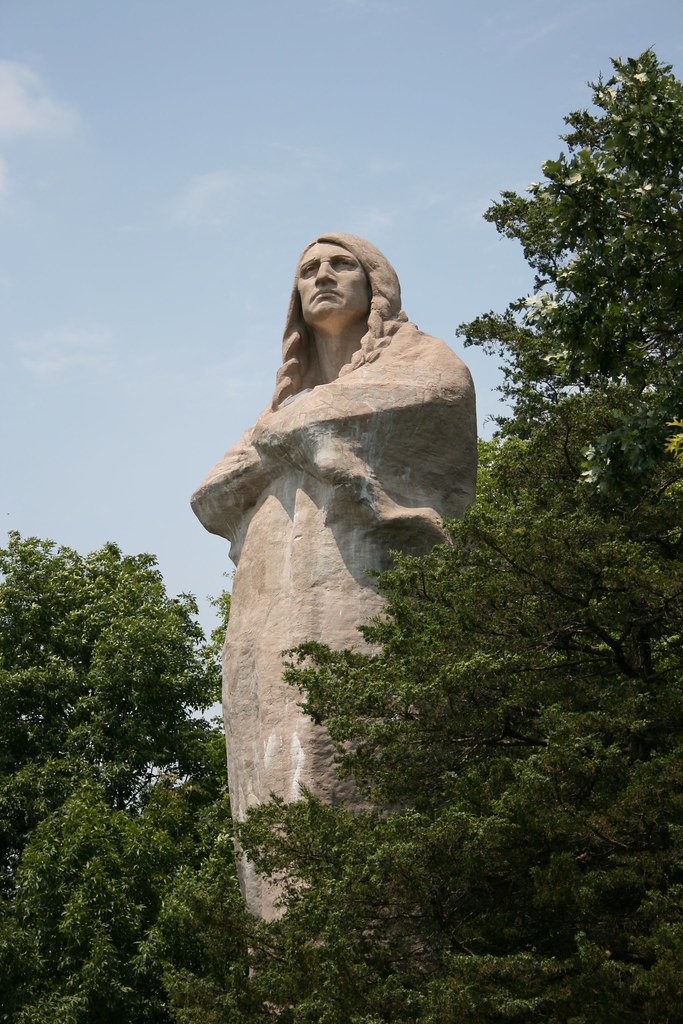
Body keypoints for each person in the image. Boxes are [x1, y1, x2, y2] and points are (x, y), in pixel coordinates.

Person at [192, 233, 477, 917]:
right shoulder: (282, 406)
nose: (322, 276)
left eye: (340, 264)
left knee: (347, 763)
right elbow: (207, 496)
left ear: (374, 283)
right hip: (267, 612)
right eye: (307, 270)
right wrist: (291, 439)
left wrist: (294, 436)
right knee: (268, 795)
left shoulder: (424, 361)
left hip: (361, 588)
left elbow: (439, 398)